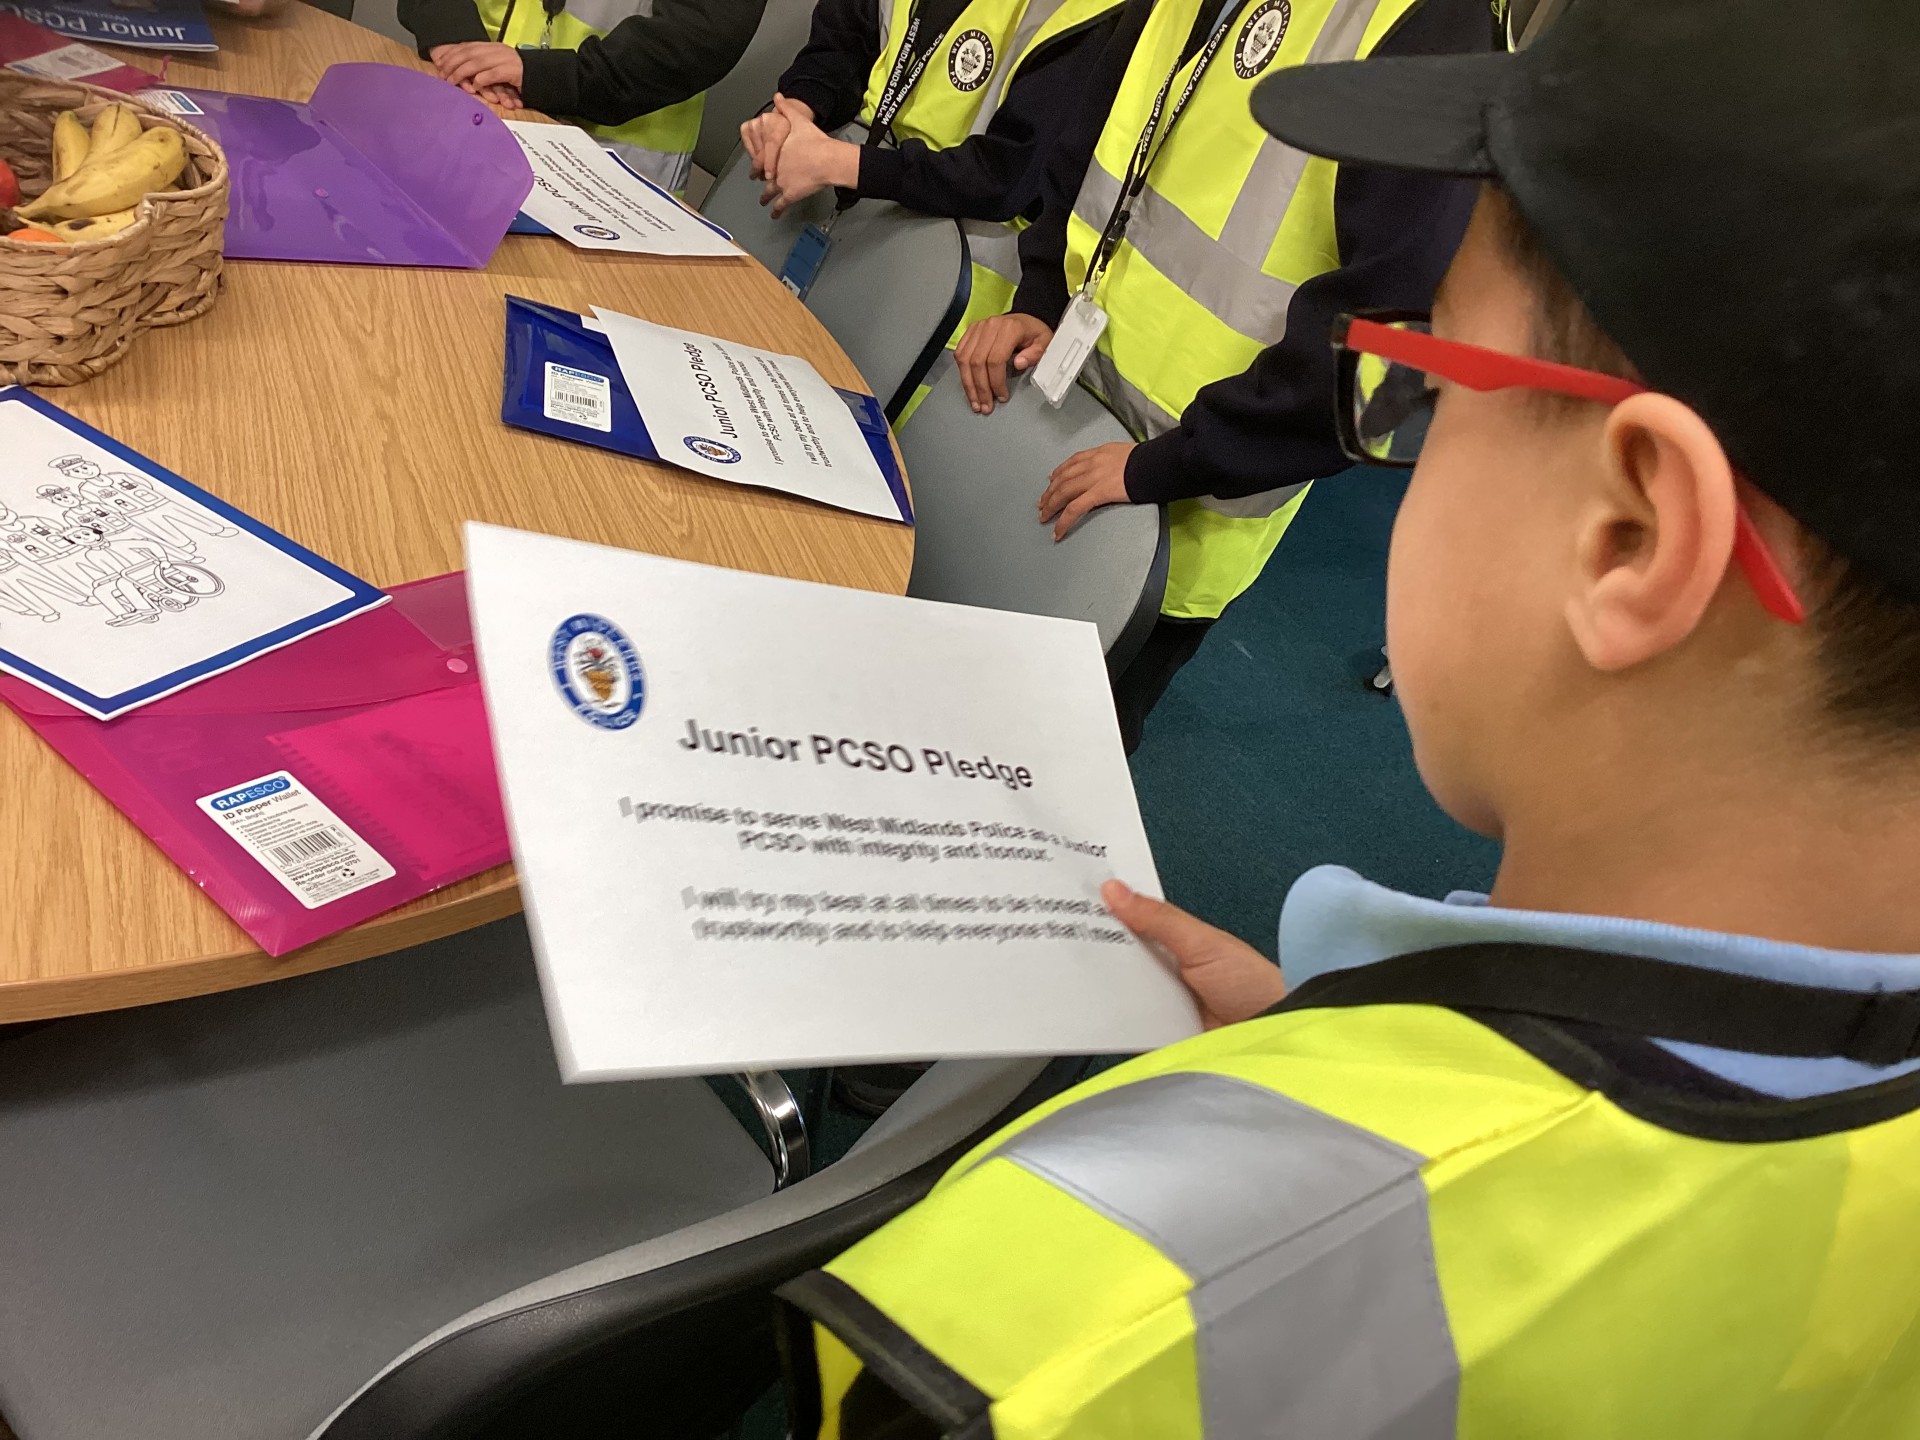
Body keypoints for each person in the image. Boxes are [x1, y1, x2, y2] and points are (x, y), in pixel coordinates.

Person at [776, 0, 1920, 1431]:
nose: (1406, 418)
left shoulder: (1077, 1329)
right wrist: (1329, 1045)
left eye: (1430, 376)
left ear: (1630, 536)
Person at [953, 0, 1495, 751]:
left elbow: (1387, 365)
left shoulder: (1430, 28)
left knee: (1041, 759)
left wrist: (1168, 464)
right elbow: (1096, 144)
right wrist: (1042, 295)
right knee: (943, 691)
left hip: (1177, 504)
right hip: (1052, 414)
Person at [743, 0, 1130, 412]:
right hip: (840, 235)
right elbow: (843, 38)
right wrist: (798, 110)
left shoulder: (1090, 12)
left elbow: (1008, 173)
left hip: (942, 302)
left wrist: (844, 163)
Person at [400, 0, 764, 193]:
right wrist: (449, 30)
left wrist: (553, 75)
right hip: (458, 114)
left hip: (603, 177)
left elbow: (702, 37)